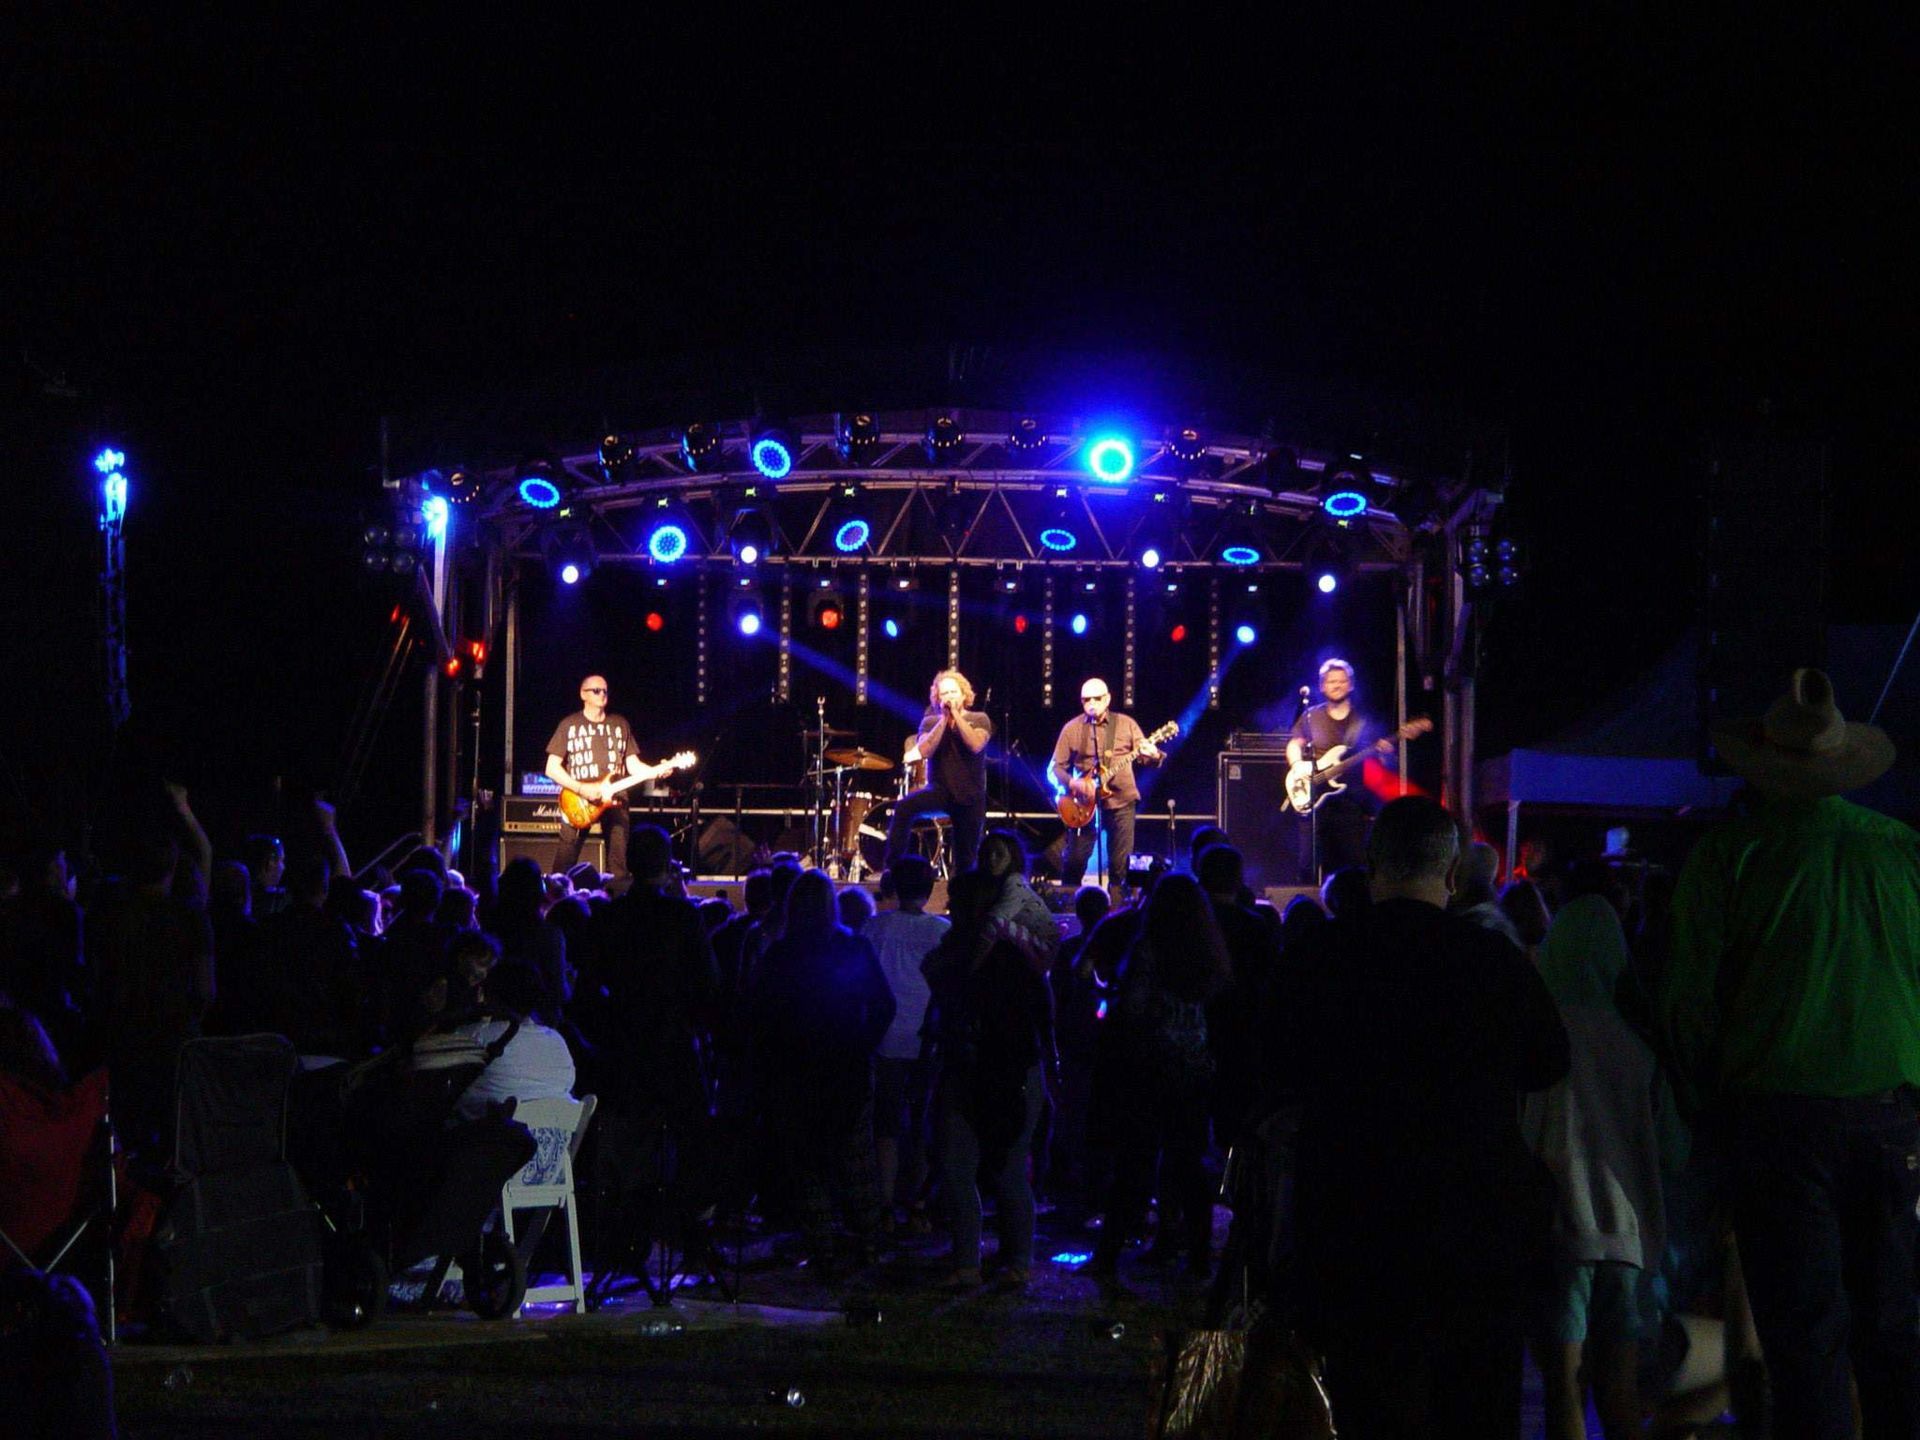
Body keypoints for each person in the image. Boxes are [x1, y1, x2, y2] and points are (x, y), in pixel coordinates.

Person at [1657, 668, 1920, 1440]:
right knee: (1893, 1326)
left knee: (1805, 1339)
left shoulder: (1729, 857)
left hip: (1778, 1125)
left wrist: (1706, 1104)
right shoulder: (1904, 853)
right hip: (1893, 1120)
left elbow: (1687, 1007)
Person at [1280, 796, 1569, 1439]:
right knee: (1477, 1407)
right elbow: (1549, 1061)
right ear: (1453, 874)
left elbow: (1269, 1069)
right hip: (1474, 1225)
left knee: (1370, 1406)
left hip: (1355, 1225)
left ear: (1372, 865)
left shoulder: (1322, 954)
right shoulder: (1492, 959)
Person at [1524, 892, 1670, 1440]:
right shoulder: (1638, 1040)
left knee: (1563, 1387)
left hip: (1560, 1231)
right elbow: (1672, 1147)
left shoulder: (1539, 1032)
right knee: (1620, 1388)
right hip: (1629, 1238)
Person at [749, 871, 895, 1269]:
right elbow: (884, 1003)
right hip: (846, 1065)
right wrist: (862, 1045)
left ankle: (823, 1246)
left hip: (797, 1070)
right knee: (856, 1158)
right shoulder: (853, 946)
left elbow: (760, 1013)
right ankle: (868, 1242)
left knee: (808, 1162)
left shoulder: (781, 954)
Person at [862, 857, 949, 1227]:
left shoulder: (874, 927)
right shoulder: (943, 931)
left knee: (886, 1123)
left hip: (885, 1038)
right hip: (927, 1038)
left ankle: (884, 1203)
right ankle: (917, 1203)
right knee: (921, 1122)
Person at [545, 674, 674, 880]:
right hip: (579, 800)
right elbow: (551, 768)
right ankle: (555, 899)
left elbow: (632, 765)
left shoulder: (620, 724)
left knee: (618, 859)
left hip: (615, 797)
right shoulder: (569, 725)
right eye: (596, 690)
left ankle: (618, 900)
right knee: (565, 858)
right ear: (583, 695)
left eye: (605, 690)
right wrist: (580, 788)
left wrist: (656, 770)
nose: (602, 694)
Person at [1050, 678, 1163, 890]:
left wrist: (1154, 753)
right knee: (1074, 861)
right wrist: (1073, 783)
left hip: (1121, 802)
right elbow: (1056, 767)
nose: (1091, 703)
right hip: (1083, 805)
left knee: (1120, 865)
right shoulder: (1071, 728)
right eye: (1086, 699)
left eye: (1097, 698)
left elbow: (1145, 756)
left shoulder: (1126, 724)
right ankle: (1069, 910)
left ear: (1108, 699)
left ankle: (1118, 912)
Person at [1287, 658, 1396, 881]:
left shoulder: (1364, 720)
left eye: (1341, 681)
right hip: (1314, 797)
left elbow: (1387, 765)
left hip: (1351, 801)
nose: (1336, 685)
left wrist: (1386, 754)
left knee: (1355, 865)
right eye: (1331, 681)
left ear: (1351, 685)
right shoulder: (1311, 716)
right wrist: (1298, 766)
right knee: (1307, 864)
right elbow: (1293, 744)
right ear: (1322, 686)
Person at [885, 670, 992, 875]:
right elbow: (923, 751)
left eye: (953, 692)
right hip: (939, 791)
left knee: (965, 861)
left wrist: (957, 717)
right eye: (944, 694)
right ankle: (892, 870)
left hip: (970, 796)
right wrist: (944, 719)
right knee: (904, 807)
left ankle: (960, 899)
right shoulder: (930, 722)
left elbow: (976, 744)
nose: (949, 697)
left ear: (963, 695)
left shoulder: (980, 718)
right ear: (937, 698)